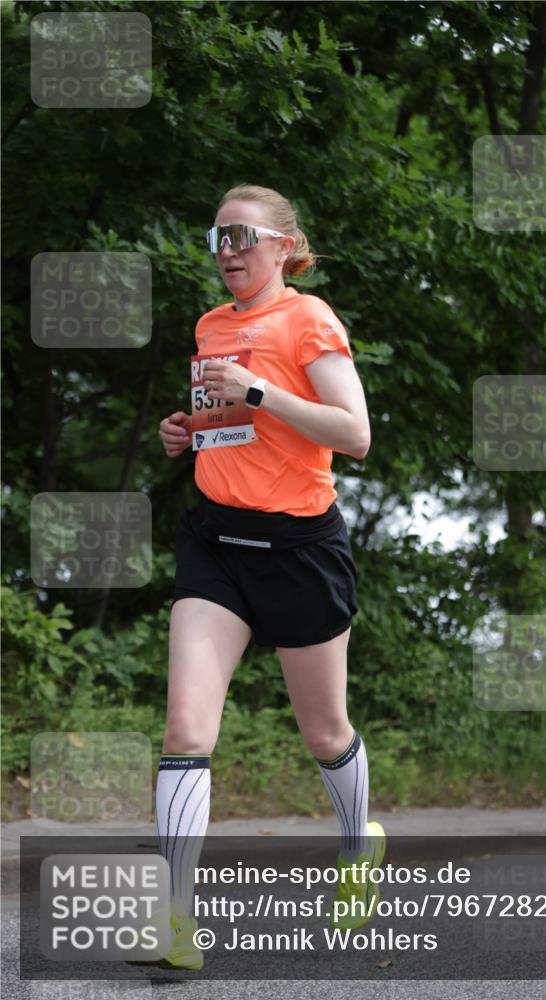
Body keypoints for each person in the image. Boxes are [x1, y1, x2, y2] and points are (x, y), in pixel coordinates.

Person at [154, 185, 385, 970]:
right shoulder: (211, 325)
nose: (226, 251)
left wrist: (256, 389)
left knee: (324, 732)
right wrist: (187, 433)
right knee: (186, 729)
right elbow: (237, 430)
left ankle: (359, 849)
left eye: (242, 236)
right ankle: (176, 923)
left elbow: (352, 435)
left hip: (299, 550)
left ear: (283, 246)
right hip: (217, 542)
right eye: (215, 237)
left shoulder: (309, 319)